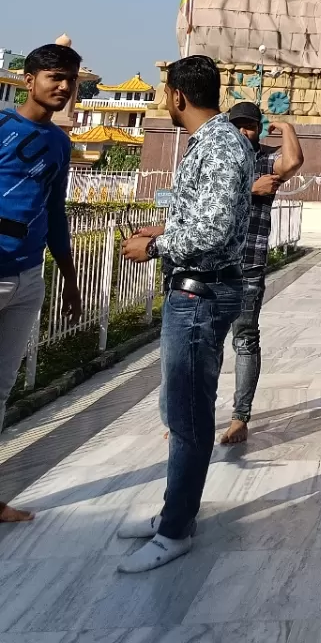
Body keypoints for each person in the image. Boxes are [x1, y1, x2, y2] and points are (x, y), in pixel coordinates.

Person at [117, 55, 254, 573]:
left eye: (163, 92)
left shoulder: (220, 144)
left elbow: (215, 231)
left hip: (201, 294)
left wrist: (154, 248)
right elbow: (206, 216)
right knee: (180, 410)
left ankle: (176, 530)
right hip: (195, 287)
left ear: (176, 95)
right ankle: (174, 512)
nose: (163, 101)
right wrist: (165, 231)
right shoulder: (214, 142)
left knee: (189, 415)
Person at [0, 43, 83, 523]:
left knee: (1, 389)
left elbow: (55, 214)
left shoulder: (58, 144)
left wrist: (69, 279)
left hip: (28, 275)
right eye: (55, 76)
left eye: (71, 79)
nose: (65, 86)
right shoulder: (3, 128)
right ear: (27, 79)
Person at [218, 102, 303, 447]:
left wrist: (285, 127)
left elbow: (293, 161)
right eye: (237, 125)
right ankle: (193, 413)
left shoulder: (265, 160)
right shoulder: (217, 160)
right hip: (213, 262)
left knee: (245, 339)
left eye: (250, 126)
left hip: (248, 261)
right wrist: (249, 190)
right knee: (205, 343)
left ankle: (240, 416)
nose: (244, 132)